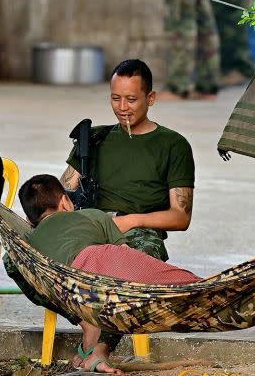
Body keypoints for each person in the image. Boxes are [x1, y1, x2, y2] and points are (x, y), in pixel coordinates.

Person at [60, 59, 195, 351]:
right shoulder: (93, 140)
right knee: (20, 261)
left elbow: (180, 216)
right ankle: (88, 322)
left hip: (137, 232)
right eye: (115, 98)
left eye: (132, 99)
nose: (123, 107)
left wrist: (132, 220)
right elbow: (62, 195)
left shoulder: (173, 145)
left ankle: (101, 348)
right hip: (89, 226)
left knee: (133, 268)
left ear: (151, 98)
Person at [20, 174, 202, 375]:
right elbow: (124, 254)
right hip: (95, 267)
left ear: (29, 220)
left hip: (63, 287)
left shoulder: (30, 240)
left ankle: (92, 340)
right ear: (65, 202)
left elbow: (22, 266)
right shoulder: (92, 215)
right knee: (169, 280)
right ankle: (201, 286)